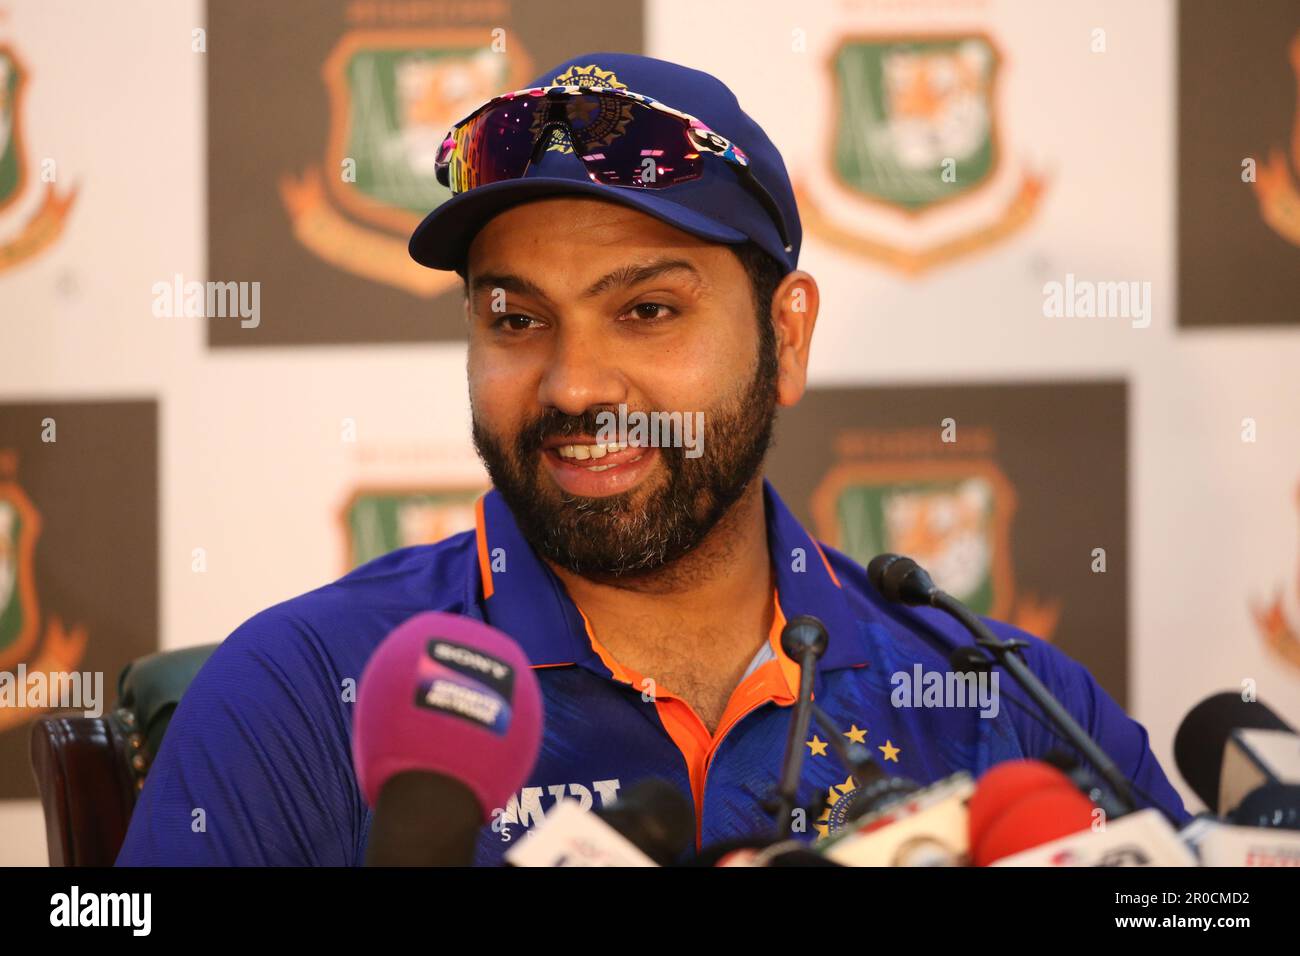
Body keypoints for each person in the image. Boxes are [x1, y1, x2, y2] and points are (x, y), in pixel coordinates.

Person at [117, 52, 1188, 866]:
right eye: (516, 318)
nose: (576, 386)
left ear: (788, 337)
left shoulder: (1000, 703)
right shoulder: (301, 693)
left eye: (647, 309)